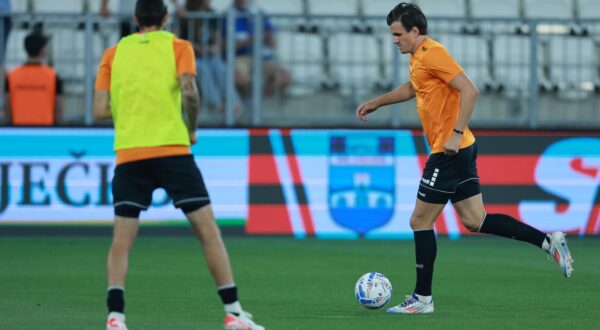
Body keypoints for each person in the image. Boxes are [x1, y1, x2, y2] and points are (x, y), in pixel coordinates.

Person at [355, 2, 574, 314]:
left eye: (398, 34)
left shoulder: (433, 53)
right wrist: (378, 102)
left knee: (419, 220)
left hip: (450, 150)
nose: (394, 40)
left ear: (415, 32)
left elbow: (470, 90)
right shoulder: (419, 57)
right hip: (462, 148)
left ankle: (422, 299)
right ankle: (548, 242)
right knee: (476, 220)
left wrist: (455, 133)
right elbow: (415, 88)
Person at [93, 1, 264, 329]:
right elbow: (190, 92)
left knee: (122, 240)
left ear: (135, 19)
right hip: (172, 151)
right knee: (208, 232)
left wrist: (133, 106)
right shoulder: (178, 46)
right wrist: (192, 127)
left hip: (130, 154)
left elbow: (100, 108)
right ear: (167, 18)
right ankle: (233, 313)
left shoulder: (113, 54)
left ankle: (115, 317)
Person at [178, 0, 242, 114]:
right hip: (192, 58)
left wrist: (213, 48)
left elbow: (217, 39)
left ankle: (235, 102)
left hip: (209, 55)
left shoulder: (212, 14)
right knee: (203, 69)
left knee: (220, 68)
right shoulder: (185, 14)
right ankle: (215, 103)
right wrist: (199, 48)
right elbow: (182, 41)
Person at [227, 0, 291, 98]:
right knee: (240, 77)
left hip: (263, 57)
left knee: (286, 77)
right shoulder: (227, 14)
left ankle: (259, 99)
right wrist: (249, 41)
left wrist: (268, 36)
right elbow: (224, 47)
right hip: (241, 57)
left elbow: (273, 43)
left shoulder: (259, 13)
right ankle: (248, 101)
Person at [4, 31, 63, 126]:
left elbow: (7, 109)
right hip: (45, 131)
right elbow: (58, 109)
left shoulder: (12, 76)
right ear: (42, 51)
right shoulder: (53, 76)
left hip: (18, 131)